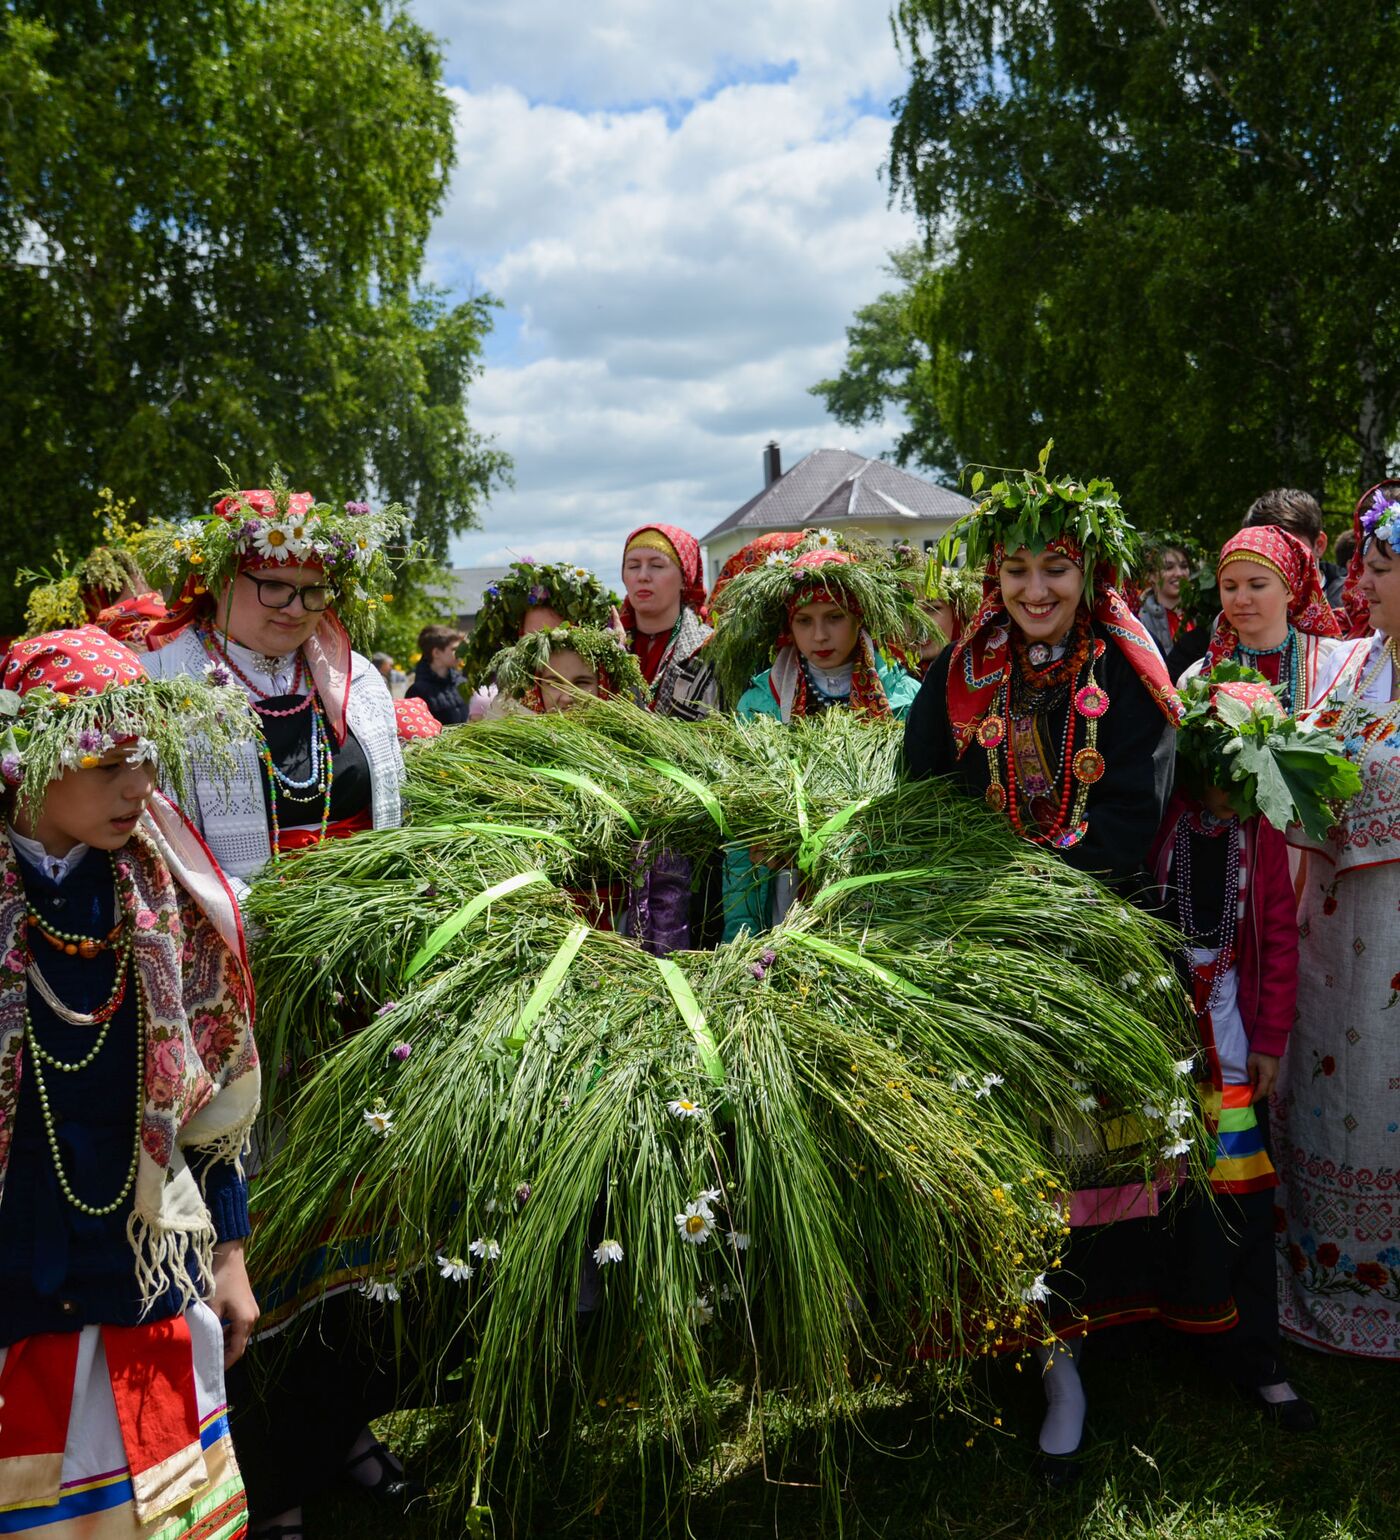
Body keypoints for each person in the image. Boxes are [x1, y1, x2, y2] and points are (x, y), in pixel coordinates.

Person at [138, 483, 414, 1537]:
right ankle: (265, 1467)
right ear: (219, 581)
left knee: (360, 1225)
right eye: (272, 587)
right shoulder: (165, 683)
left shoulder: (357, 681)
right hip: (227, 1006)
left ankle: (343, 1427)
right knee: (251, 1233)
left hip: (348, 1001)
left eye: (313, 588)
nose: (295, 607)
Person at [903, 460, 1183, 1482]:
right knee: (988, 1151)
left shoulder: (1124, 671)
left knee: (1077, 1160)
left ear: (1088, 573)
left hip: (1081, 949)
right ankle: (1003, 1335)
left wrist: (1031, 901)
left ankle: (1073, 1353)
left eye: (1054, 571)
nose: (1031, 591)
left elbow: (1126, 823)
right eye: (1014, 569)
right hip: (973, 947)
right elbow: (922, 797)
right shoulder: (959, 670)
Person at [0, 627, 260, 1535]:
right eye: (108, 762)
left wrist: (228, 1255)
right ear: (29, 763)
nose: (139, 788)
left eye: (145, 761)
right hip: (15, 1284)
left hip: (149, 1274)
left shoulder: (165, 905)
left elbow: (212, 1102)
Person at [1149, 670, 1340, 1430]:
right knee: (1170, 1188)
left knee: (1244, 1197)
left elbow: (1281, 941)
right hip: (1165, 1040)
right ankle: (1178, 1328)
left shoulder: (1258, 841)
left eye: (1245, 780)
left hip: (1230, 1042)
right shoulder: (1164, 821)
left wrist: (1268, 1040)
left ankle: (1257, 1354)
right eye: (1220, 776)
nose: (1231, 795)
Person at [1275, 482, 1400, 1361]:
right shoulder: (1355, 662)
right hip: (1335, 935)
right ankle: (1333, 1270)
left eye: (1385, 567)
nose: (1368, 581)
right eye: (1368, 563)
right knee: (1338, 1091)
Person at [710, 542, 920, 939]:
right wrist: (740, 932)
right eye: (804, 621)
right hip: (785, 895)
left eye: (834, 617)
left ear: (860, 617)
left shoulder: (903, 700)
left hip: (878, 894)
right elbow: (741, 834)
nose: (819, 635)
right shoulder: (761, 704)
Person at [1178, 527, 1369, 712]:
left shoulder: (1334, 662)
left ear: (1289, 589)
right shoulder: (1198, 679)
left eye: (1258, 585)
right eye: (1230, 587)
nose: (1241, 600)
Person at [458, 559, 617, 721]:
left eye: (554, 636)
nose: (542, 645)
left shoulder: (613, 705)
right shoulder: (503, 712)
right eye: (532, 637)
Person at [618, 524, 717, 720]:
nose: (642, 576)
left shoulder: (708, 648)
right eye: (633, 566)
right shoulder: (604, 643)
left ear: (684, 578)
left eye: (657, 566)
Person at [1242, 487, 1346, 607]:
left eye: (1290, 551)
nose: (1279, 565)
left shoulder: (1356, 606)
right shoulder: (1235, 617)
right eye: (1264, 555)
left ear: (1319, 545)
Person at [403, 625, 469, 727]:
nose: (459, 653)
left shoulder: (461, 682)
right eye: (454, 649)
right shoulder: (418, 692)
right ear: (436, 653)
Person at [1138, 541, 1192, 657]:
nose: (1178, 573)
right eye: (1168, 567)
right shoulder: (1140, 622)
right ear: (1151, 576)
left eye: (1184, 566)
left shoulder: (1199, 616)